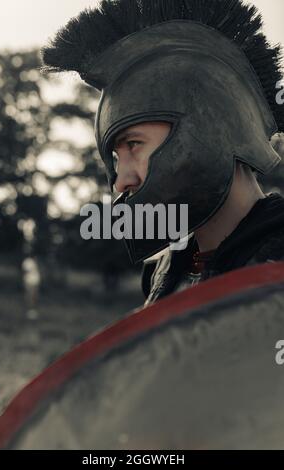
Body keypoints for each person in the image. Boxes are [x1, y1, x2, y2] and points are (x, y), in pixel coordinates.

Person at [41, 0, 284, 306]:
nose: (121, 182)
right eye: (116, 158)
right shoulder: (162, 273)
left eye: (134, 145)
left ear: (210, 125)